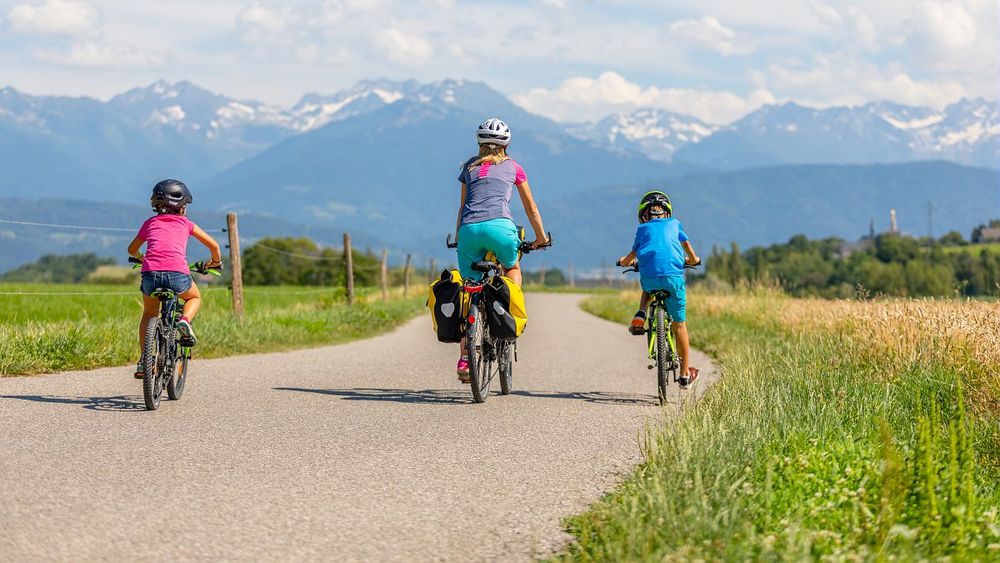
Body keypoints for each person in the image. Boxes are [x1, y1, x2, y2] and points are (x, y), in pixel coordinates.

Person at [453, 118, 548, 381]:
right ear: (505, 144)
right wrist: (540, 238)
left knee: (468, 288)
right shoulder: (514, 167)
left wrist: (462, 237)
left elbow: (462, 209)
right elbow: (531, 208)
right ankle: (509, 316)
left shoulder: (468, 168)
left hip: (469, 230)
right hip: (501, 229)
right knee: (512, 267)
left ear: (479, 143)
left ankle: (464, 359)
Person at [127, 179, 223, 378]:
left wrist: (141, 257)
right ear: (182, 207)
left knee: (149, 313)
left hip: (150, 275)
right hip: (177, 275)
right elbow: (214, 246)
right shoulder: (186, 224)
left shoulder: (149, 223)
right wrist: (214, 262)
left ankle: (145, 360)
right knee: (193, 297)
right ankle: (185, 321)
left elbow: (131, 249)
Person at [618, 191, 701, 388]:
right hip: (673, 278)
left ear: (643, 215)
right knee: (680, 325)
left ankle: (641, 313)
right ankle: (684, 375)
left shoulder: (642, 229)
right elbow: (686, 244)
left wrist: (624, 262)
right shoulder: (675, 224)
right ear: (667, 213)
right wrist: (694, 259)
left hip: (650, 278)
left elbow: (632, 254)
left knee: (648, 287)